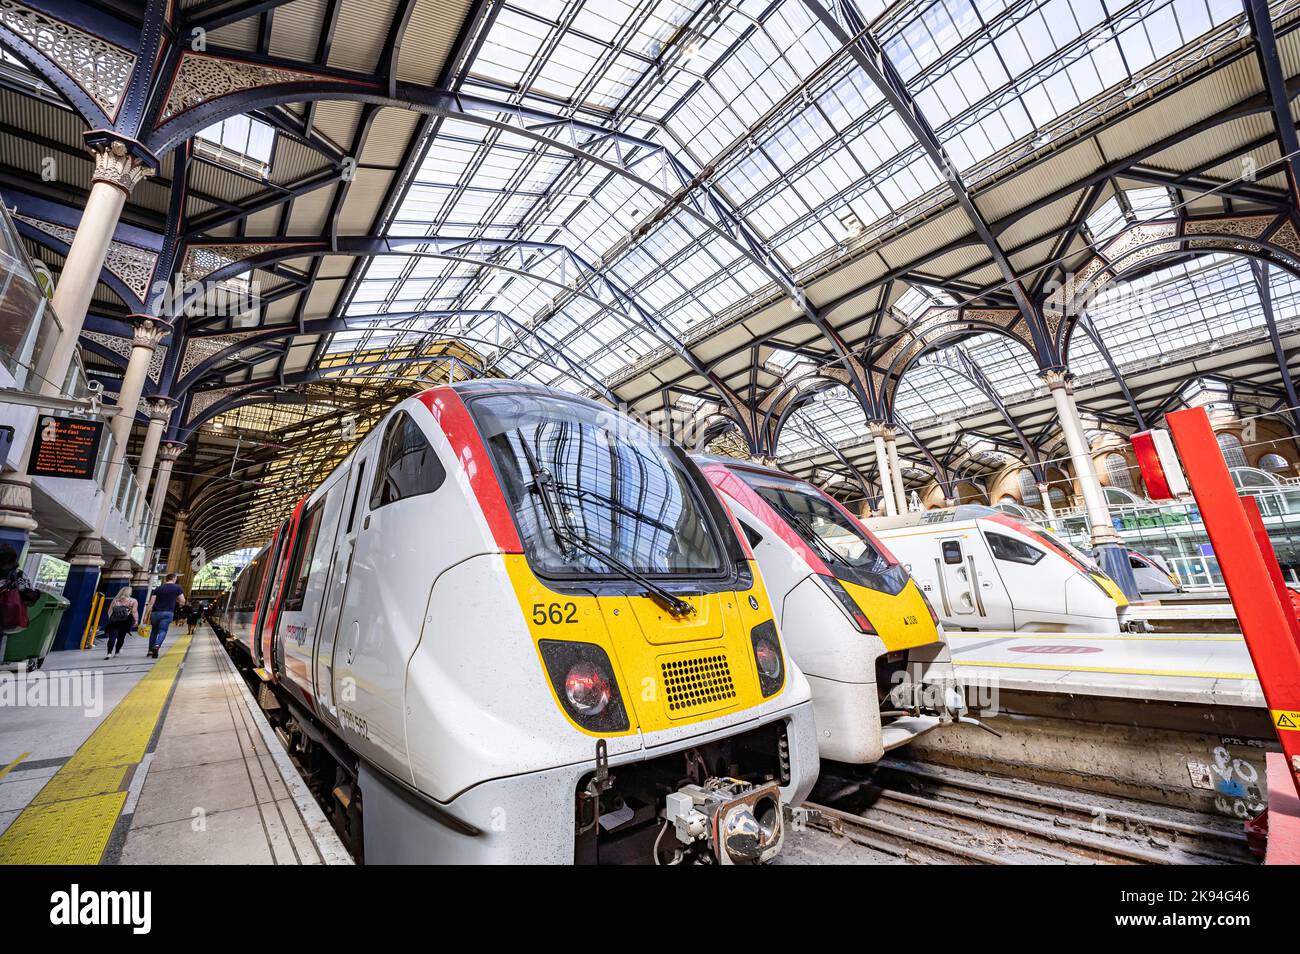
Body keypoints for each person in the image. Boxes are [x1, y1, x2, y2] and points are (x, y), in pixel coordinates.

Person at [143, 573, 186, 659]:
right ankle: (157, 646)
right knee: (163, 631)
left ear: (166, 579)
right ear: (174, 579)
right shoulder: (177, 588)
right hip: (167, 613)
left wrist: (145, 616)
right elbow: (182, 601)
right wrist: (176, 600)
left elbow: (151, 603)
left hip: (155, 613)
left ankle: (150, 651)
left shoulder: (158, 588)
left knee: (154, 632)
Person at [102, 586, 138, 658]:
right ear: (129, 593)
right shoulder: (133, 601)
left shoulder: (116, 600)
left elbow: (109, 611)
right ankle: (117, 652)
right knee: (121, 637)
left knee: (112, 637)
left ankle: (109, 653)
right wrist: (136, 620)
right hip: (126, 621)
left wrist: (111, 618)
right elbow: (134, 611)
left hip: (114, 621)